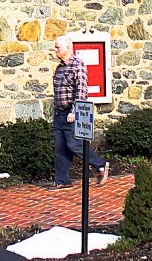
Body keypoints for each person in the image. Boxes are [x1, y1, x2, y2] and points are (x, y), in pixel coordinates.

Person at [51, 36, 109, 190]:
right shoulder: (60, 68)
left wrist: (74, 112)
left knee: (75, 144)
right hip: (59, 114)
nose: (55, 50)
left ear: (68, 47)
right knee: (60, 148)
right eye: (55, 47)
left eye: (58, 47)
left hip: (71, 113)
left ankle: (100, 164)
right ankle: (62, 181)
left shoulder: (78, 65)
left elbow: (81, 91)